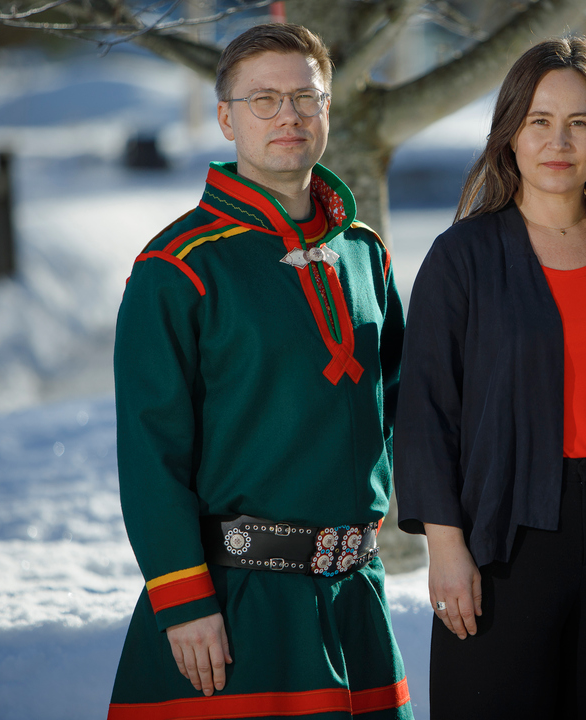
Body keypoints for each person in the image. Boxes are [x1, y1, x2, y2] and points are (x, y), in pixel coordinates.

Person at [106, 24, 412, 720]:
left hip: (355, 597)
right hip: (236, 605)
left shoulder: (366, 256)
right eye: (264, 100)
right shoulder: (178, 268)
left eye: (305, 98)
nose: (289, 117)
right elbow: (150, 452)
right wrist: (183, 600)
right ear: (225, 118)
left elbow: (405, 412)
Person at [394, 37, 586, 719]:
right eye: (539, 121)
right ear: (509, 133)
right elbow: (426, 412)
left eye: (579, 122)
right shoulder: (462, 257)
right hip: (506, 539)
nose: (558, 141)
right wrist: (446, 547)